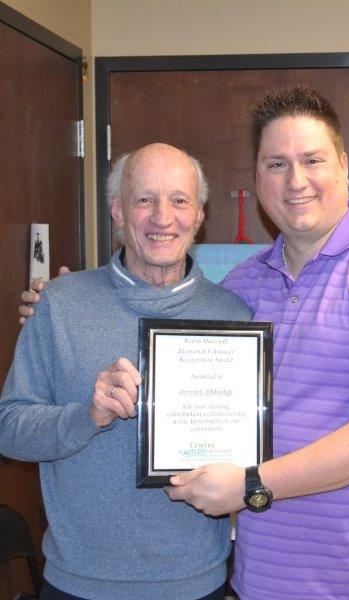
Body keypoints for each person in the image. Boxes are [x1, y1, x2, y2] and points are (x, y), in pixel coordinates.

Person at [19, 87, 349, 599]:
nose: (295, 181)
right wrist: (65, 303)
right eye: (276, 164)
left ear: (343, 166)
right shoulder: (243, 289)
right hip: (260, 579)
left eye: (312, 160)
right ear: (257, 178)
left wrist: (252, 482)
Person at [1, 143, 252, 600]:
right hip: (78, 584)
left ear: (199, 214)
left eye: (179, 200)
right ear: (117, 210)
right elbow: (10, 429)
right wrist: (87, 416)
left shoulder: (234, 317)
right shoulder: (60, 303)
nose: (162, 217)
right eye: (144, 199)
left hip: (196, 582)